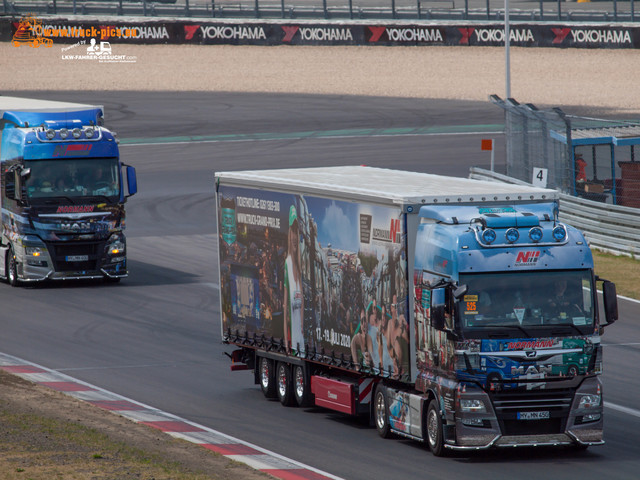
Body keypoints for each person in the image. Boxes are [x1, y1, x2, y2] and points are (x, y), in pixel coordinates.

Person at [283, 205, 304, 354]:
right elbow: (285, 310)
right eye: (292, 232)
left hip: (301, 342)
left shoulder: (300, 268)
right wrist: (286, 342)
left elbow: (302, 305)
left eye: (296, 232)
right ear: (289, 236)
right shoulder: (288, 264)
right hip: (293, 343)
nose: (295, 237)